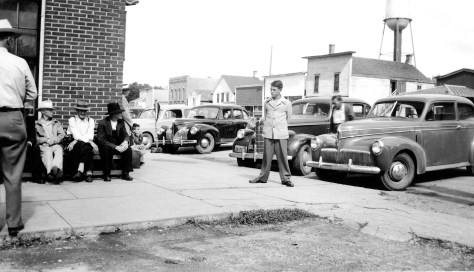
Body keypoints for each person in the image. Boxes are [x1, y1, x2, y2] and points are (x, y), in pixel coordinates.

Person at [0, 19, 37, 237]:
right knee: (13, 174)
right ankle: (13, 223)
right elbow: (33, 94)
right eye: (12, 38)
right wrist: (16, 97)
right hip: (13, 117)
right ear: (8, 38)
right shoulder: (19, 62)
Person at [249, 80, 294, 187]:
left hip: (281, 133)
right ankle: (262, 177)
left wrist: (280, 127)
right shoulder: (267, 102)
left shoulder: (287, 103)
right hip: (269, 133)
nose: (272, 92)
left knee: (282, 157)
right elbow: (265, 116)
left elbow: (289, 118)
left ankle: (286, 178)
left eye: (274, 90)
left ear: (280, 90)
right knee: (266, 157)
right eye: (271, 89)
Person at [96, 102, 133, 182]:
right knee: (105, 149)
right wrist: (115, 147)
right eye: (119, 112)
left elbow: (126, 135)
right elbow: (101, 140)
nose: (121, 114)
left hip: (119, 144)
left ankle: (126, 173)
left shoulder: (121, 122)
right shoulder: (103, 123)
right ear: (113, 114)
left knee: (128, 149)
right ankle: (106, 174)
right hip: (107, 145)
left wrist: (125, 142)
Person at [67, 100, 98, 182]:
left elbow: (90, 135)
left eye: (85, 111)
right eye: (81, 110)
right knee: (85, 146)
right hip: (73, 145)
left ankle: (80, 170)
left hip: (80, 144)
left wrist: (86, 140)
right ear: (77, 110)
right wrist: (91, 142)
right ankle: (89, 172)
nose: (83, 113)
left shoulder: (90, 120)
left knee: (85, 146)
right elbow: (76, 135)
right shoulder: (72, 119)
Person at [35, 100, 65, 184]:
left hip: (54, 144)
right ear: (43, 111)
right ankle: (54, 172)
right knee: (47, 151)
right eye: (50, 110)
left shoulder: (56, 123)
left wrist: (54, 140)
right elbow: (36, 138)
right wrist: (45, 140)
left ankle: (53, 170)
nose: (52, 112)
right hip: (44, 145)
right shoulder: (37, 124)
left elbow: (62, 134)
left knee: (59, 149)